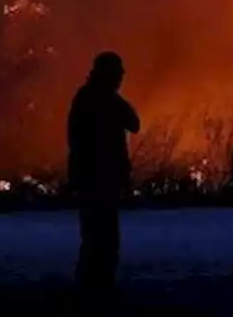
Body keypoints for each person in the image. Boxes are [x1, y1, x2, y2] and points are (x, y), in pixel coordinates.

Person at [67, 50, 140, 292]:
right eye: (118, 73)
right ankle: (94, 288)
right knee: (101, 239)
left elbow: (133, 124)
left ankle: (93, 286)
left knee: (98, 238)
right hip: (98, 179)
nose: (121, 77)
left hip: (96, 179)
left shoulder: (87, 98)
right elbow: (133, 123)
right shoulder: (99, 100)